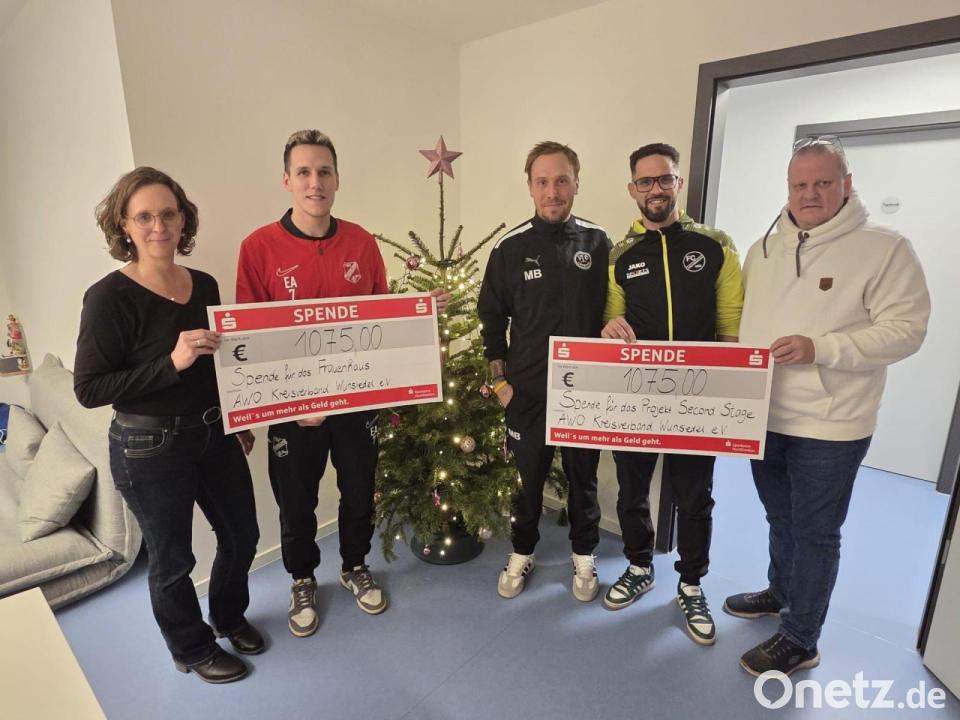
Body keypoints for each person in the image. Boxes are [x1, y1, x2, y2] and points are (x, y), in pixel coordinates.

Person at [724, 136, 930, 676]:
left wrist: (823, 348)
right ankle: (780, 591)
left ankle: (801, 638)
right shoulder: (763, 250)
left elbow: (907, 330)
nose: (809, 193)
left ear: (847, 184)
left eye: (822, 182)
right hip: (765, 416)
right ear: (788, 188)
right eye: (800, 184)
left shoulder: (884, 248)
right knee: (779, 517)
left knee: (816, 531)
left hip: (832, 425)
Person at [236, 130, 448, 637]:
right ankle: (302, 578)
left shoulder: (360, 242)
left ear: (337, 179)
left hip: (356, 405)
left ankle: (355, 565)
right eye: (304, 172)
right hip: (294, 411)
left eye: (324, 171)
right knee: (296, 502)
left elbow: (380, 320)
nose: (315, 182)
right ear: (287, 180)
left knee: (358, 492)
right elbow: (249, 340)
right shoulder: (258, 248)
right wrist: (291, 403)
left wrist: (418, 312)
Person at [74, 167, 261, 684]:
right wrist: (170, 363)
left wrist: (238, 416)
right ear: (124, 225)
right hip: (147, 446)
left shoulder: (204, 284)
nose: (158, 226)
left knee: (242, 535)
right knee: (173, 558)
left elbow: (217, 365)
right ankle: (192, 648)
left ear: (183, 220)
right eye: (144, 217)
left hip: (214, 432)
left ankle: (228, 617)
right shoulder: (108, 297)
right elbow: (89, 389)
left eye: (168, 214)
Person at [600, 142, 743, 646]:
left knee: (694, 496)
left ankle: (691, 583)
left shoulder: (715, 243)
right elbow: (611, 318)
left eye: (664, 179)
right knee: (632, 489)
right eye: (645, 181)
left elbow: (730, 320)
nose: (655, 189)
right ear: (632, 189)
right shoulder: (620, 254)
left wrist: (726, 387)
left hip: (696, 399)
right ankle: (639, 566)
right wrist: (609, 326)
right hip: (636, 398)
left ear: (678, 183)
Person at [478, 140, 611, 602]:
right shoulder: (509, 247)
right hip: (527, 392)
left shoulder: (598, 242)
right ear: (530, 187)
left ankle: (584, 553)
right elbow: (491, 316)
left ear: (576, 183)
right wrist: (500, 382)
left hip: (585, 390)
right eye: (542, 182)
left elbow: (615, 310)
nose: (552, 191)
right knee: (526, 481)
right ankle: (522, 550)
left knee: (583, 479)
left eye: (561, 180)